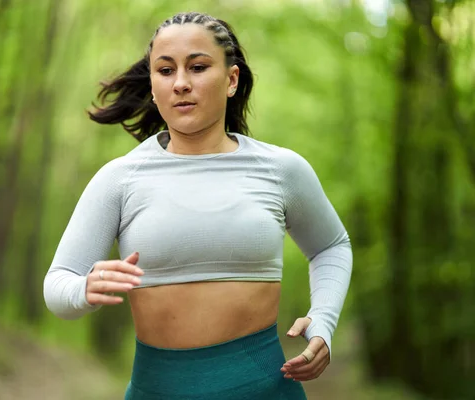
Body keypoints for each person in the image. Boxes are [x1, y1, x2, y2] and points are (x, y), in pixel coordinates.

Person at [43, 11, 352, 400]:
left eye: (198, 67)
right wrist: (84, 289)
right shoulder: (120, 178)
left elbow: (331, 246)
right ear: (153, 86)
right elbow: (57, 285)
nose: (181, 84)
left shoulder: (281, 169)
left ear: (232, 79)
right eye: (166, 70)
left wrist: (323, 321)